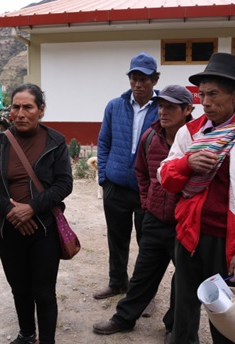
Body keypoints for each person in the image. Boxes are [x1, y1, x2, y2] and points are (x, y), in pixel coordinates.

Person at [157, 53, 235, 344]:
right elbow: (166, 178)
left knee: (226, 314)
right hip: (189, 235)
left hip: (228, 242)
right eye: (201, 94)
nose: (206, 102)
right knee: (184, 308)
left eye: (213, 94)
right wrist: (187, 165)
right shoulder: (190, 133)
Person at [93, 85, 194, 344]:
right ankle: (124, 319)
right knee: (142, 274)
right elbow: (141, 172)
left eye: (171, 107)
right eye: (161, 106)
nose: (163, 111)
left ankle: (174, 325)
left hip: (184, 225)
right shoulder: (151, 137)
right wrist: (148, 201)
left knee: (183, 279)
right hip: (154, 218)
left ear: (187, 110)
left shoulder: (198, 139)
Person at [0, 83, 73, 344]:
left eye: (27, 107)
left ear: (40, 110)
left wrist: (31, 208)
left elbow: (64, 184)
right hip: (8, 230)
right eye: (15, 107)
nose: (20, 113)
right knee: (19, 289)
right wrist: (10, 211)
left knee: (43, 292)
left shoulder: (55, 141)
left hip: (43, 230)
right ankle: (27, 335)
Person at [94, 52, 160, 313]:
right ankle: (117, 282)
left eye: (144, 78)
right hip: (116, 187)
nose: (138, 83)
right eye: (134, 77)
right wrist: (104, 178)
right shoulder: (114, 106)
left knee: (149, 245)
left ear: (154, 80)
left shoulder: (163, 107)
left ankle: (146, 294)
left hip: (148, 191)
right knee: (117, 239)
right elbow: (103, 143)